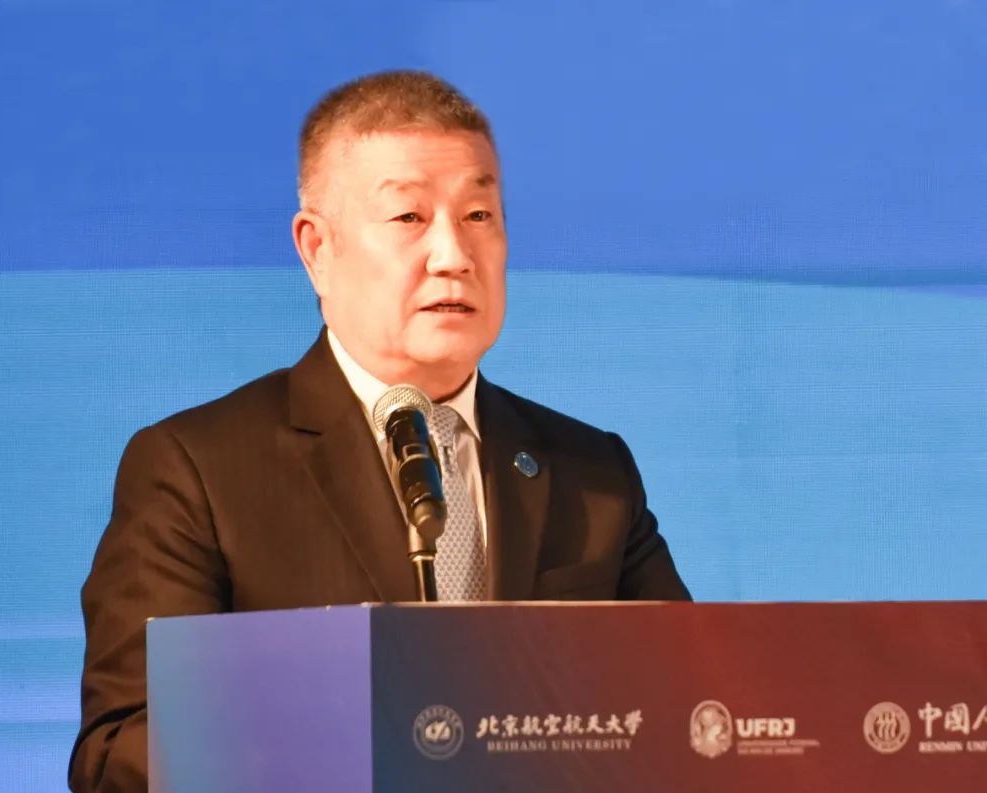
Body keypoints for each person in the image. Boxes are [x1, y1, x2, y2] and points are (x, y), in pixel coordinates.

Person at [69, 69, 690, 793]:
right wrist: (361, 728)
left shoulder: (593, 473)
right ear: (317, 249)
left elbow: (688, 712)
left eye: (479, 215)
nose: (453, 255)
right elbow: (117, 753)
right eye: (409, 217)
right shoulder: (197, 470)